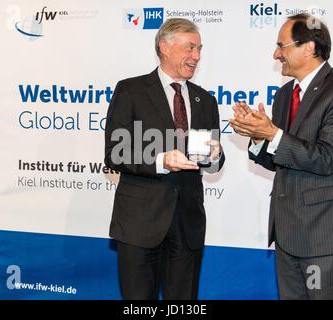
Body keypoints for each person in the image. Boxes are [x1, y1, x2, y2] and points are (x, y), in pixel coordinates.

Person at [229, 14, 333, 299]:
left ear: (309, 47)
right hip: (287, 234)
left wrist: (273, 133)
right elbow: (280, 159)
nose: (276, 54)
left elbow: (326, 158)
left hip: (324, 236)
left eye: (282, 46)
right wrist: (258, 137)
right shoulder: (284, 95)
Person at [104, 18, 225, 300]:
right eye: (190, 47)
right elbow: (114, 153)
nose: (196, 56)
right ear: (164, 47)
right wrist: (161, 160)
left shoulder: (205, 100)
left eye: (199, 49)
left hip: (188, 225)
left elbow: (213, 162)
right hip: (140, 222)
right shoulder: (131, 90)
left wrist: (215, 156)